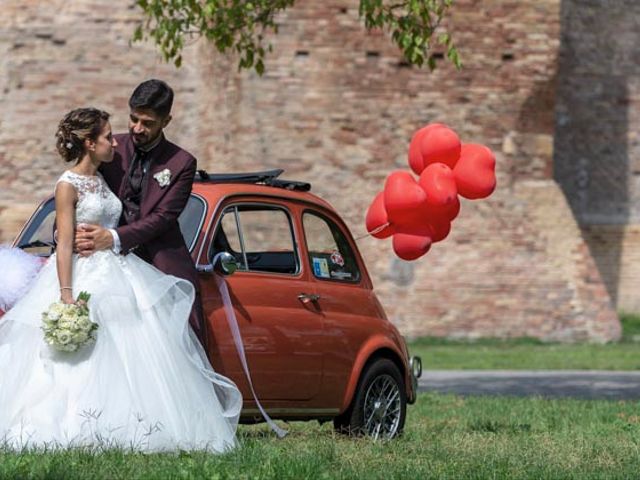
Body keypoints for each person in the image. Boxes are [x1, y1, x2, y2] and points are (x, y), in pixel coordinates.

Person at [0, 107, 242, 451]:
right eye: (107, 136)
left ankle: (139, 424)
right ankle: (75, 425)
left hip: (118, 268)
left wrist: (108, 237)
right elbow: (64, 242)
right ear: (89, 142)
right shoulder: (67, 185)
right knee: (81, 354)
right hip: (83, 273)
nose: (116, 141)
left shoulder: (102, 178)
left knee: (134, 344)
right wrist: (66, 294)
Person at [74, 79, 206, 346]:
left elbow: (163, 217)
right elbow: (78, 188)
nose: (137, 128)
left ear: (166, 121)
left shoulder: (182, 163)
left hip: (158, 254)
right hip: (103, 257)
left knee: (184, 322)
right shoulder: (109, 146)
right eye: (133, 119)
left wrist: (113, 237)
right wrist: (67, 233)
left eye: (147, 123)